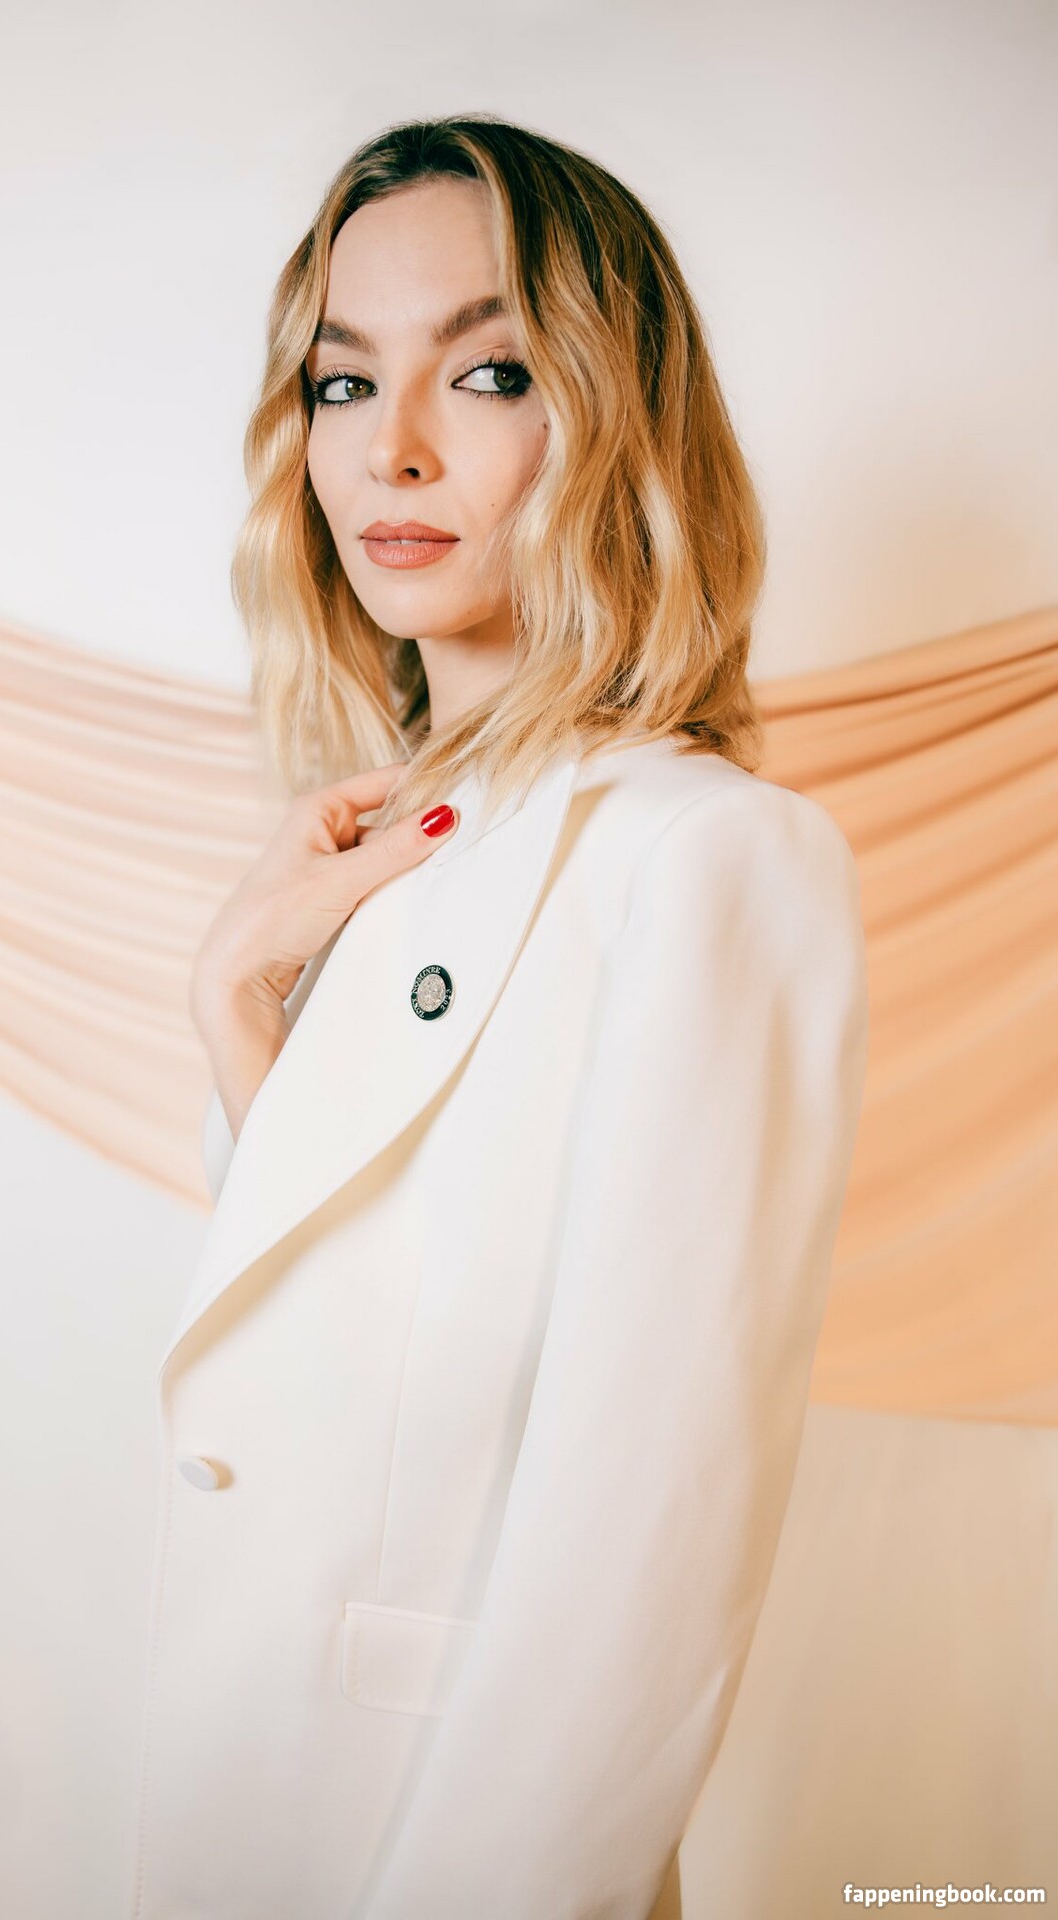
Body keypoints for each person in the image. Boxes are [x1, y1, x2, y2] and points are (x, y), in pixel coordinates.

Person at [127, 114, 869, 1920]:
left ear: (615, 419)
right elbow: (339, 1376)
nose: (390, 447)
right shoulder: (375, 860)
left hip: (450, 1852)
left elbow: (647, 1541)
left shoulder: (701, 857)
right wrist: (235, 1002)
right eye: (340, 379)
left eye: (488, 370)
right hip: (247, 1796)